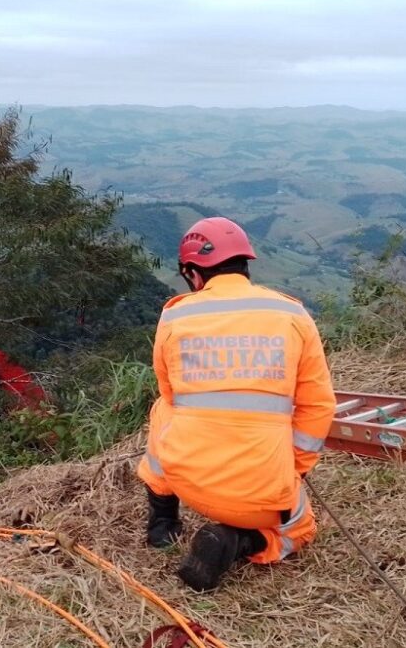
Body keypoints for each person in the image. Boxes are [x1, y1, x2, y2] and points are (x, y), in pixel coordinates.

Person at [137, 216, 336, 592]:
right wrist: (294, 471)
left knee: (166, 407)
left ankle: (162, 524)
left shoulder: (175, 314)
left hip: (188, 484)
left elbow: (168, 389)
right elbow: (318, 406)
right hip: (263, 498)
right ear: (245, 264)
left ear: (192, 274)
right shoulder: (293, 314)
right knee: (302, 529)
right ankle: (240, 541)